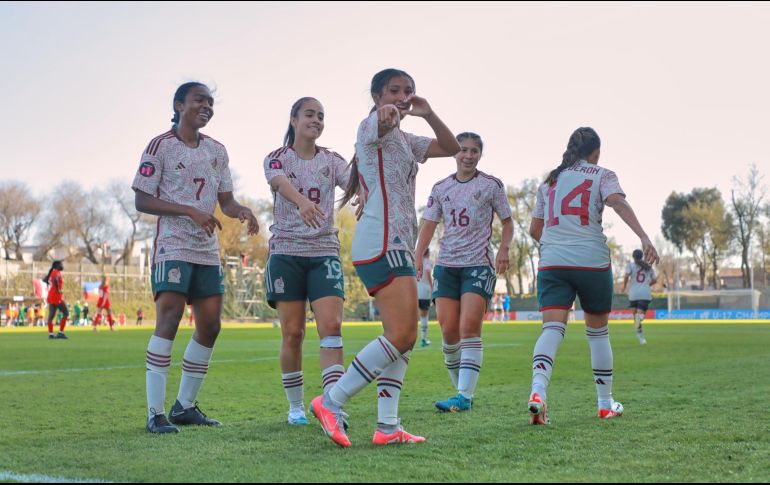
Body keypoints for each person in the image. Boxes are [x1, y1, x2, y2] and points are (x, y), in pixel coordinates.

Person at [311, 68, 460, 447]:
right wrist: (386, 113)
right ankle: (332, 401)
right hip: (380, 242)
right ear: (377, 95)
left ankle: (388, 427)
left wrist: (426, 111)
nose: (402, 96)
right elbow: (379, 123)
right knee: (402, 334)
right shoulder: (370, 125)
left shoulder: (408, 140)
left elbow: (452, 147)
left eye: (408, 90)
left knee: (403, 338)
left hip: (396, 242)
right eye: (394, 90)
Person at [132, 81, 260, 434]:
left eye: (210, 102)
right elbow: (142, 199)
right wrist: (189, 211)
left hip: (206, 251)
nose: (206, 106)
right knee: (169, 319)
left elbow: (226, 200)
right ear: (179, 104)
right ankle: (154, 413)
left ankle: (184, 406)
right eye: (198, 100)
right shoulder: (160, 146)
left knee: (210, 325)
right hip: (172, 246)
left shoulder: (218, 150)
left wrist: (242, 210)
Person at [527, 127, 659, 425]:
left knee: (551, 331)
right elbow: (618, 202)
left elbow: (536, 230)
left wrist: (557, 246)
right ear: (596, 152)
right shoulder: (602, 174)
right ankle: (604, 404)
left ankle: (537, 392)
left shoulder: (550, 180)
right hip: (591, 262)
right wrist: (644, 237)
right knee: (598, 333)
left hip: (552, 262)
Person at [263, 97, 350, 426]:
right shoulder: (276, 158)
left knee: (332, 327)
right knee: (294, 333)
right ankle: (296, 406)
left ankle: (332, 404)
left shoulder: (331, 159)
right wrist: (301, 202)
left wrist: (365, 192)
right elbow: (279, 182)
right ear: (293, 120)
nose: (316, 120)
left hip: (323, 250)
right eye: (310, 115)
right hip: (286, 253)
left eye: (321, 116)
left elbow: (355, 180)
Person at [415, 132, 513, 413]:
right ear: (454, 153)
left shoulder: (491, 185)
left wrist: (504, 249)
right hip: (447, 266)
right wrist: (417, 255)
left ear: (480, 154)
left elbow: (508, 222)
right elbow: (429, 225)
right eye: (463, 150)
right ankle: (462, 391)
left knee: (469, 328)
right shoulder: (440, 187)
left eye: (474, 151)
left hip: (478, 265)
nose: (468, 156)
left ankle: (464, 396)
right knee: (448, 331)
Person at [622, 249, 657, 345]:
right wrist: (646, 285)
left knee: (636, 319)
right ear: (642, 256)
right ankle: (641, 336)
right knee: (638, 318)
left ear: (633, 257)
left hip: (633, 294)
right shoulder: (648, 267)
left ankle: (641, 338)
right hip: (645, 294)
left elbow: (625, 276)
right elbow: (655, 280)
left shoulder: (630, 266)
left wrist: (624, 287)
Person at [43, 261, 69, 339]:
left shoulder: (52, 272)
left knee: (51, 315)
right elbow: (56, 280)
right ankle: (60, 333)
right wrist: (58, 290)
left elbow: (46, 280)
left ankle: (51, 334)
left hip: (50, 296)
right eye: (61, 264)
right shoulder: (57, 272)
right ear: (57, 266)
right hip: (56, 296)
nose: (62, 265)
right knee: (66, 313)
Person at [416, 248, 433, 348]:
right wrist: (432, 289)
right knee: (424, 316)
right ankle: (423, 339)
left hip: (414, 291)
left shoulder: (414, 261)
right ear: (428, 253)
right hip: (424, 291)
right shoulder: (427, 262)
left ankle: (410, 338)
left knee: (413, 316)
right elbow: (428, 275)